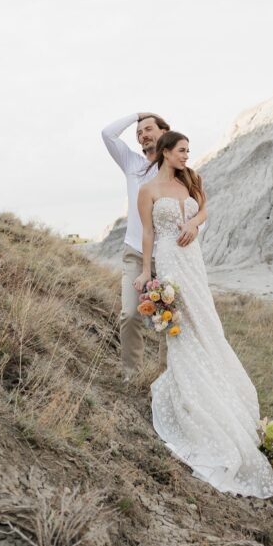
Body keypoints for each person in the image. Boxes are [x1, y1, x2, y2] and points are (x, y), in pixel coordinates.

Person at [134, 131, 273, 499]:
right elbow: (148, 234)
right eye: (181, 151)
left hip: (193, 261)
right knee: (181, 327)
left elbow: (203, 209)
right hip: (168, 260)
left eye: (188, 151)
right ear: (165, 152)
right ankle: (192, 390)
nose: (187, 156)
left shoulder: (191, 180)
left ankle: (219, 384)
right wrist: (146, 272)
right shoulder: (148, 191)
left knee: (207, 324)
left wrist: (193, 224)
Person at [101, 112, 203, 382]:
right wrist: (138, 115)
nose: (143, 135)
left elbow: (195, 209)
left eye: (148, 129)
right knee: (130, 313)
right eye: (139, 133)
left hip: (171, 255)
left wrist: (194, 226)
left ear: (164, 133)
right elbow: (107, 134)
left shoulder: (180, 173)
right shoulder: (132, 164)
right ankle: (131, 375)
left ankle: (164, 376)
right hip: (136, 252)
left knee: (171, 318)